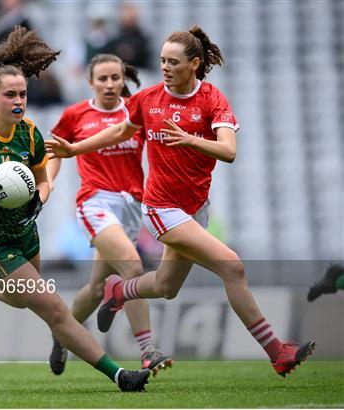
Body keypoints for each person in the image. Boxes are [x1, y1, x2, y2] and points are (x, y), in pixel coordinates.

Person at [46, 25, 316, 378]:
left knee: (165, 287)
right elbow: (120, 131)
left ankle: (118, 291)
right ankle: (277, 351)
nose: (165, 68)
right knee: (232, 266)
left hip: (195, 208)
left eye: (173, 62)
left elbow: (229, 151)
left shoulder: (212, 99)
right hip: (161, 207)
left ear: (195, 64)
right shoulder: (149, 98)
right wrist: (76, 148)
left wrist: (190, 140)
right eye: (162, 61)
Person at [0, 26, 151, 392]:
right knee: (55, 309)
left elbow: (42, 178)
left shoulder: (30, 132)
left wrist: (40, 198)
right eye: (10, 94)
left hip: (24, 233)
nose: (19, 101)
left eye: (23, 94)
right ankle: (119, 376)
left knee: (18, 301)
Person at [46, 54, 171, 377]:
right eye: (102, 78)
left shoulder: (135, 112)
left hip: (130, 205)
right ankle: (148, 351)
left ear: (123, 80)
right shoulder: (75, 114)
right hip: (95, 201)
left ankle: (62, 334)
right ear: (91, 82)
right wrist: (48, 181)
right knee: (132, 265)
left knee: (98, 287)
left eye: (115, 77)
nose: (110, 84)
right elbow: (55, 151)